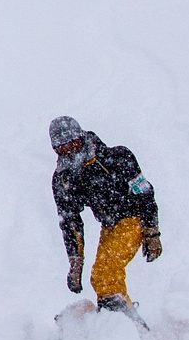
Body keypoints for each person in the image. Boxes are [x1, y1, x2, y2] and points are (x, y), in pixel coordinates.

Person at [49, 116, 162, 310]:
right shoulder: (64, 179)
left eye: (73, 144)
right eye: (62, 149)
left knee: (106, 271)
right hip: (109, 226)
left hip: (133, 219)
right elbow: (70, 221)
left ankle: (119, 319)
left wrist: (151, 231)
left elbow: (144, 192)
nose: (70, 151)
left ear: (81, 138)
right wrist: (76, 261)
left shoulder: (118, 157)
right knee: (100, 276)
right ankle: (120, 318)